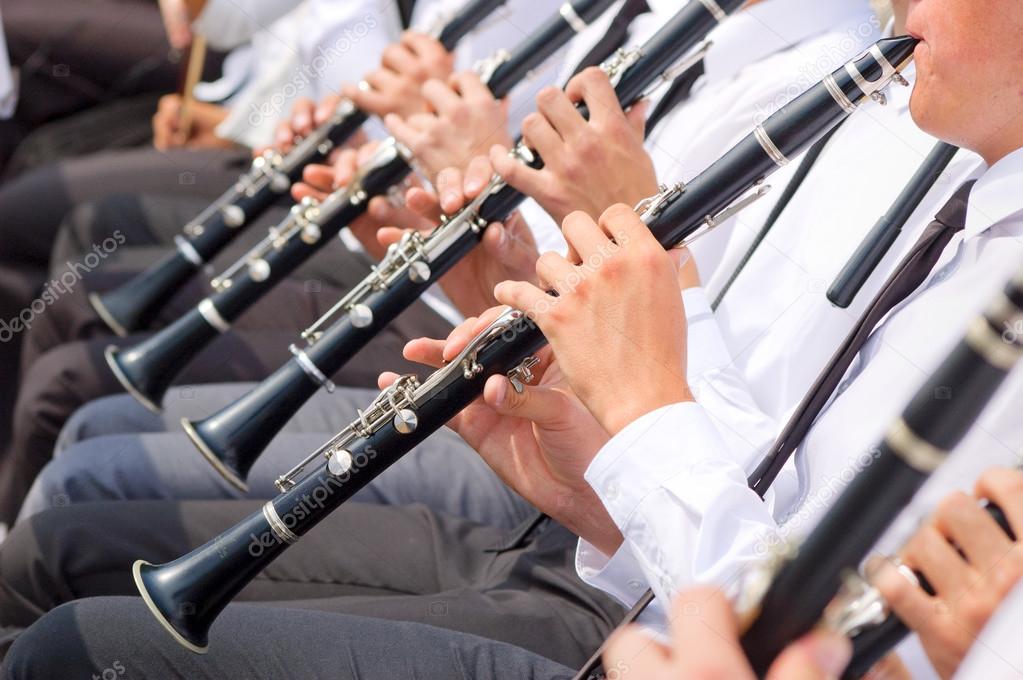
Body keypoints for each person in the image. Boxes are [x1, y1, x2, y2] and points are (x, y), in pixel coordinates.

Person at [12, 0, 879, 525]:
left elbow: (656, 330)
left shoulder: (807, 80)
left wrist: (485, 174)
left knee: (80, 411)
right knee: (70, 285)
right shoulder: (671, 26)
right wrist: (268, 120)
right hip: (473, 318)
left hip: (556, 429)